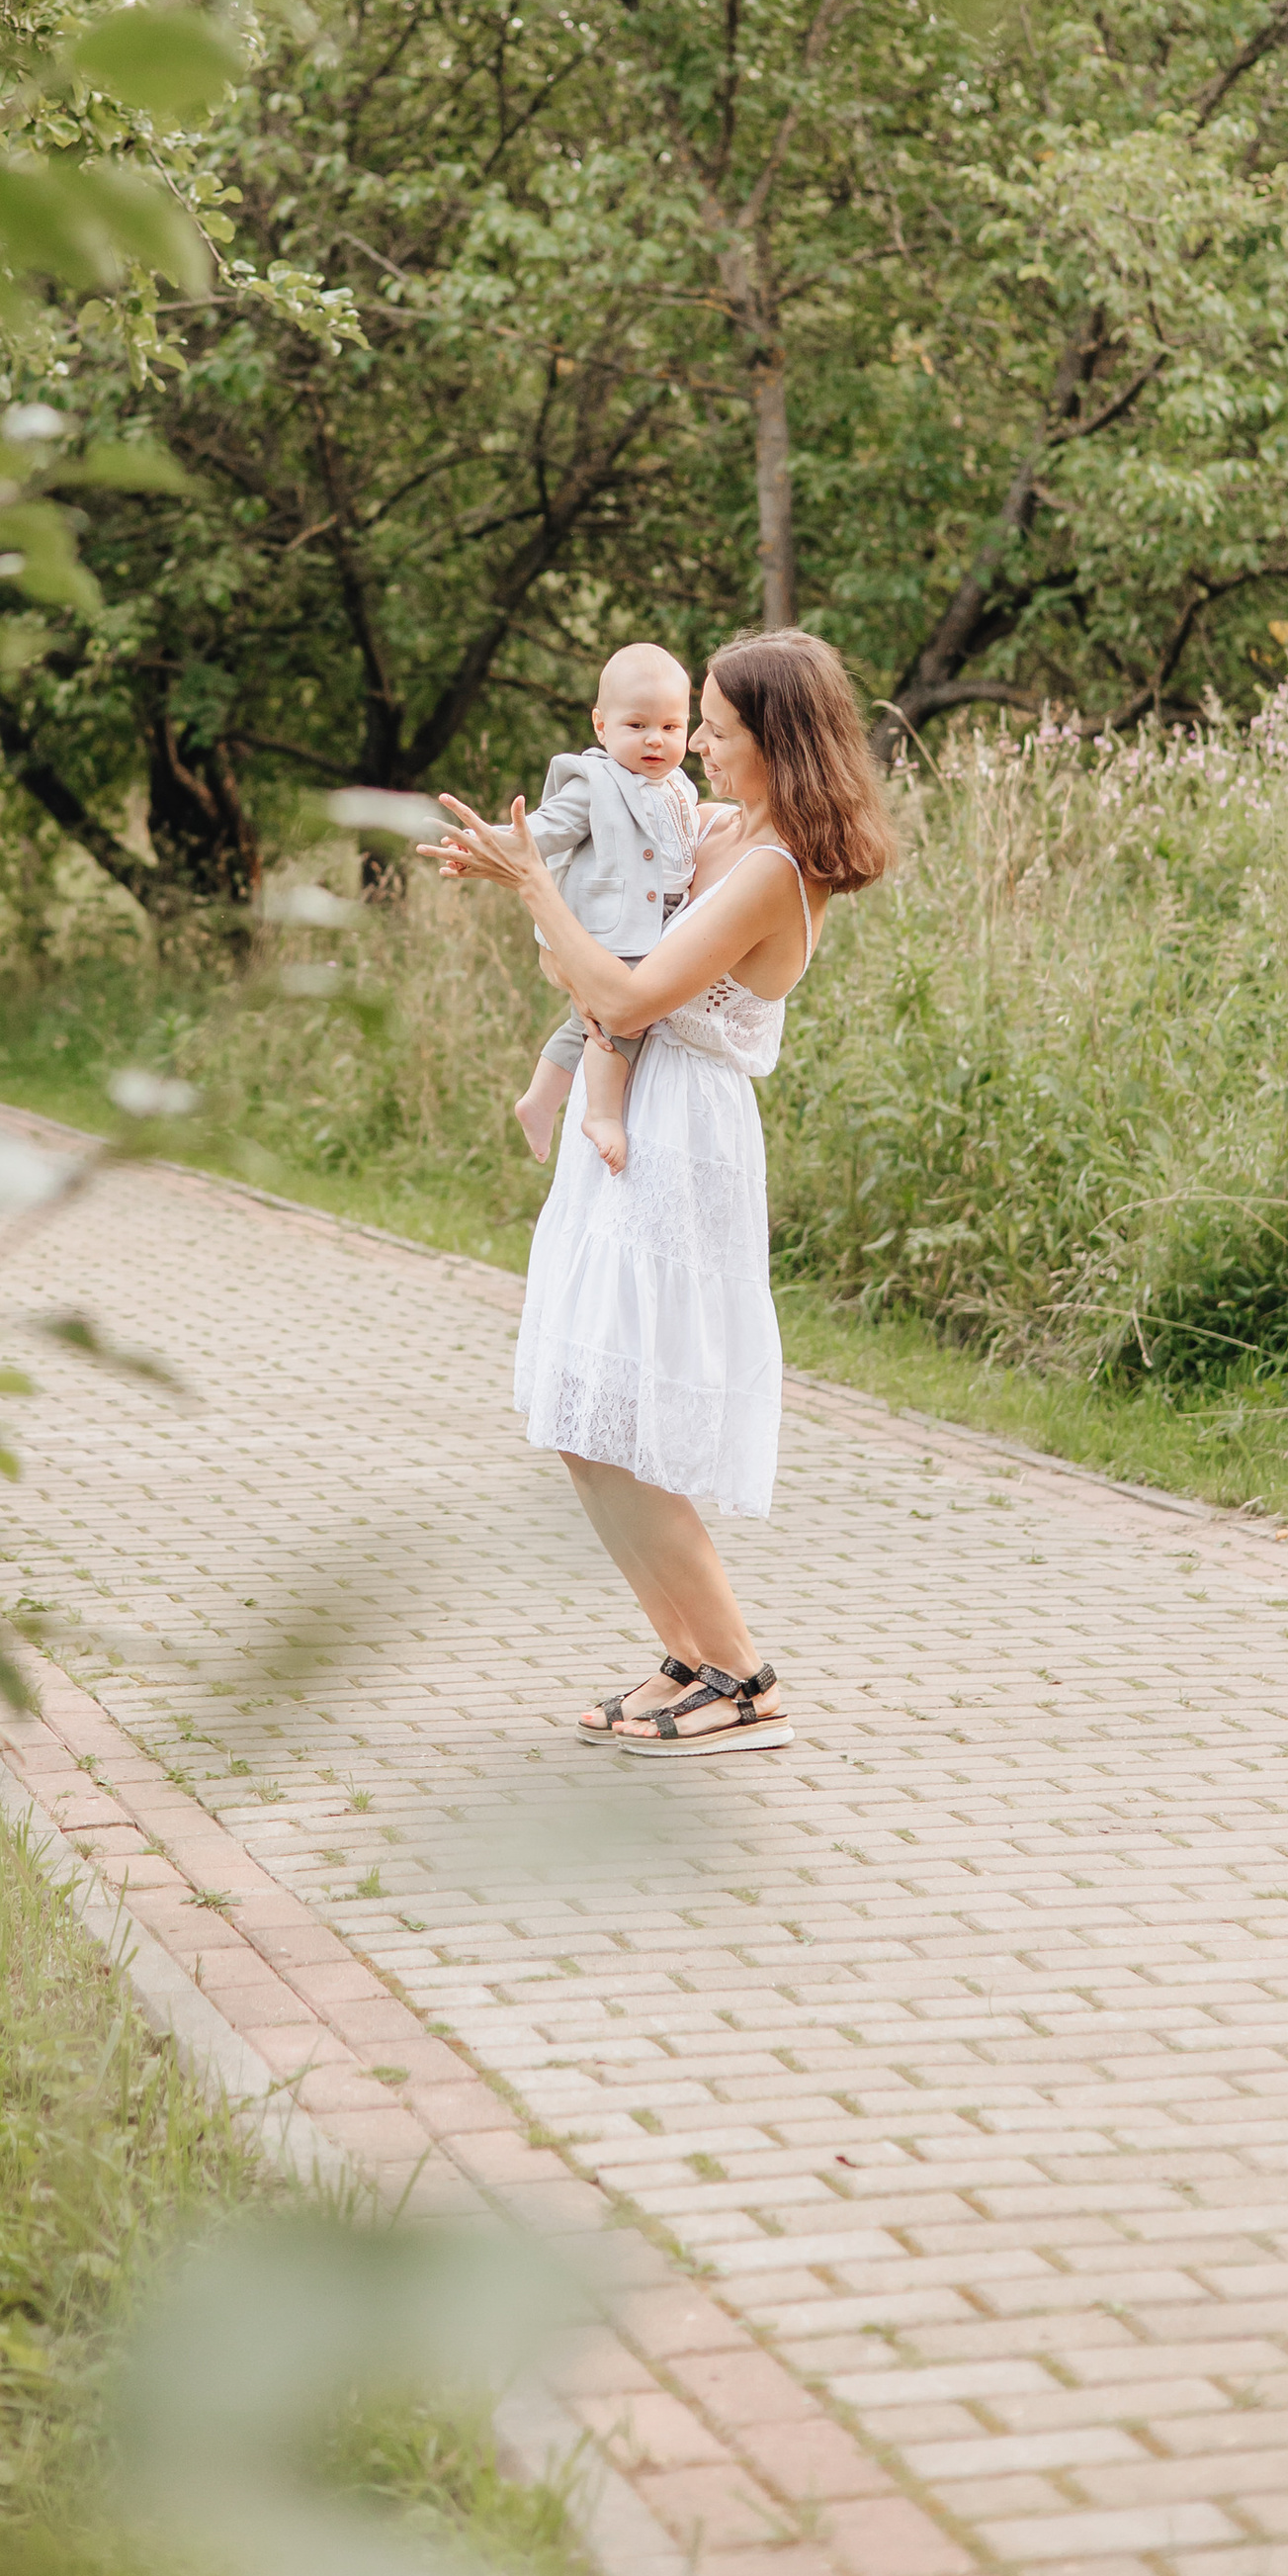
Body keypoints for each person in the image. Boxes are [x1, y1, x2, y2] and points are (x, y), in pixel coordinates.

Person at [427, 629, 897, 1756]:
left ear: (776, 739)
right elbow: (596, 939)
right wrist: (538, 868)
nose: (702, 750)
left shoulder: (777, 868)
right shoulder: (708, 825)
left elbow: (624, 994)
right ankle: (684, 1652)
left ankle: (742, 1674)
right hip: (627, 1117)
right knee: (583, 1417)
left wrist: (536, 890)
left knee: (623, 1415)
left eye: (720, 733)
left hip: (680, 1134)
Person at [511, 642, 700, 1178]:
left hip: (658, 923)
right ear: (601, 725)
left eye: (670, 727)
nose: (655, 740)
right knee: (622, 1018)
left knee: (582, 1018)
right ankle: (600, 1113)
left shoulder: (681, 787)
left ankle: (540, 1100)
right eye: (637, 725)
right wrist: (494, 842)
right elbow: (546, 829)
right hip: (613, 924)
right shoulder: (595, 782)